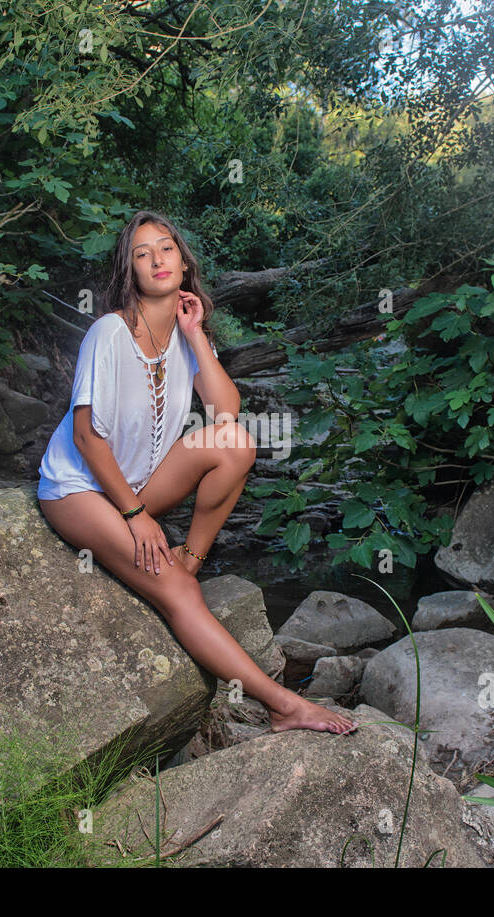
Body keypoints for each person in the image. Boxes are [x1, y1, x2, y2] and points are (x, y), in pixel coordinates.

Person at [37, 210, 358, 735]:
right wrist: (136, 514)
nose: (156, 259)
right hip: (80, 489)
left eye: (166, 248)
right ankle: (283, 705)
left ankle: (190, 557)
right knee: (179, 595)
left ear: (183, 264)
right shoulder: (108, 334)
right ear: (130, 272)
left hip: (139, 482)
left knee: (236, 444)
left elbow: (226, 413)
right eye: (142, 254)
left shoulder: (187, 335)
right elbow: (87, 438)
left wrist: (194, 332)